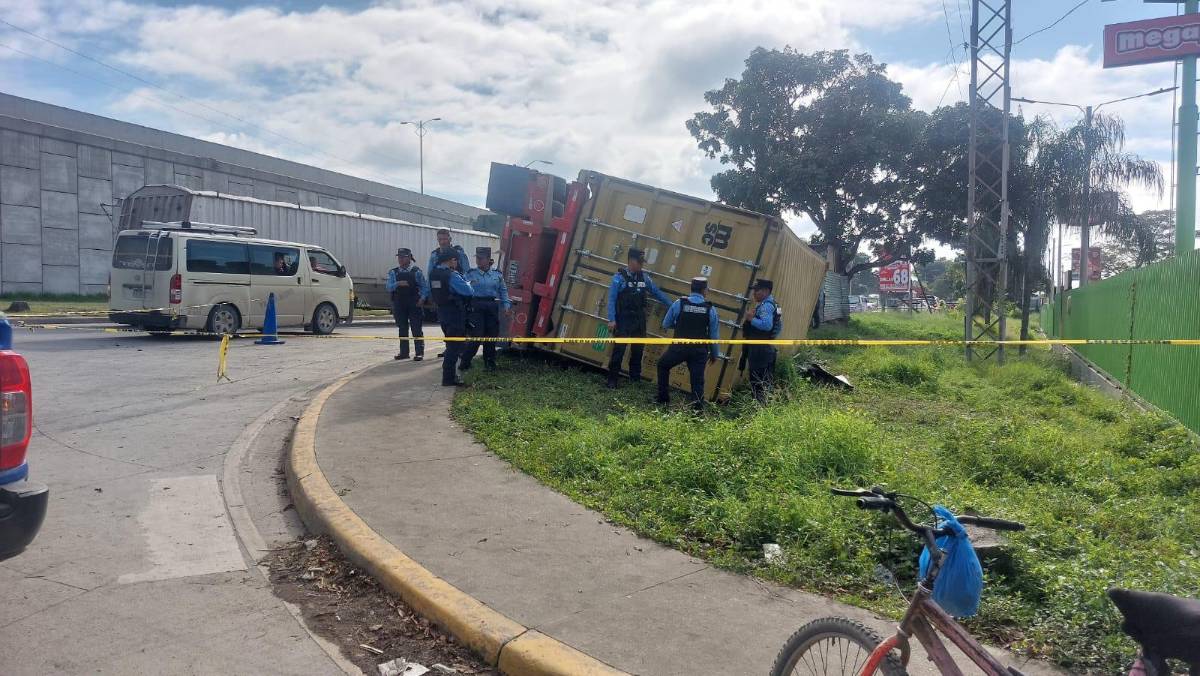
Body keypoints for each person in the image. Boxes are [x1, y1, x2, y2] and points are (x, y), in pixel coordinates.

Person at [605, 248, 671, 388]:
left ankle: (635, 381)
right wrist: (612, 319)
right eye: (639, 262)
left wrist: (672, 305)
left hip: (639, 319)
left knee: (638, 350)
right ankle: (612, 380)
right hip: (624, 318)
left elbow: (657, 293)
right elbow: (612, 299)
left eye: (642, 262)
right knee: (619, 350)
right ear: (631, 261)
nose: (641, 265)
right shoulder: (619, 277)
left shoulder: (645, 278)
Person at [657, 277, 721, 409]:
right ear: (705, 290)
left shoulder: (679, 303)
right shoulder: (710, 309)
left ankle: (663, 399)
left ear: (691, 288)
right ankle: (697, 410)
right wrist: (715, 354)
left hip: (679, 348)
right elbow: (713, 335)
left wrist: (680, 326)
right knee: (697, 380)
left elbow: (666, 324)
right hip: (699, 351)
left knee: (663, 366)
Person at [428, 248, 474, 386]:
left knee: (450, 345)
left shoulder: (433, 273)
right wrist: (468, 283)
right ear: (451, 260)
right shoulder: (452, 275)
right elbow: (468, 291)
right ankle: (449, 378)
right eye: (456, 260)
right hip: (455, 314)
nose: (457, 263)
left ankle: (449, 376)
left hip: (442, 313)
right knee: (454, 348)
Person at [462, 247, 511, 371]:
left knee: (491, 335)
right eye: (477, 258)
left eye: (481, 258)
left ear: (488, 259)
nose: (478, 260)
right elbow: (463, 290)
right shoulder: (470, 274)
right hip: (476, 305)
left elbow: (503, 291)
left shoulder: (497, 275)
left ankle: (490, 363)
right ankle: (465, 361)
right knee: (477, 335)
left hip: (491, 305)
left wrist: (506, 306)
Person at [742, 278, 783, 403]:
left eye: (757, 291)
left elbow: (767, 325)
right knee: (765, 380)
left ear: (765, 291)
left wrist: (750, 319)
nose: (754, 293)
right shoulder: (773, 304)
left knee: (757, 381)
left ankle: (760, 408)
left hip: (760, 349)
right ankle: (765, 408)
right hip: (766, 348)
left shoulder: (766, 307)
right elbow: (779, 327)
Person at [386, 247, 430, 361]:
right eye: (399, 257)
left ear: (409, 258)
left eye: (403, 257)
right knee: (402, 328)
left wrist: (422, 298)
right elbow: (388, 287)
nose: (400, 259)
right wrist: (397, 283)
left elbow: (424, 287)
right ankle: (404, 352)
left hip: (414, 303)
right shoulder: (393, 272)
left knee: (416, 328)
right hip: (399, 303)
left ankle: (419, 353)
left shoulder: (416, 272)